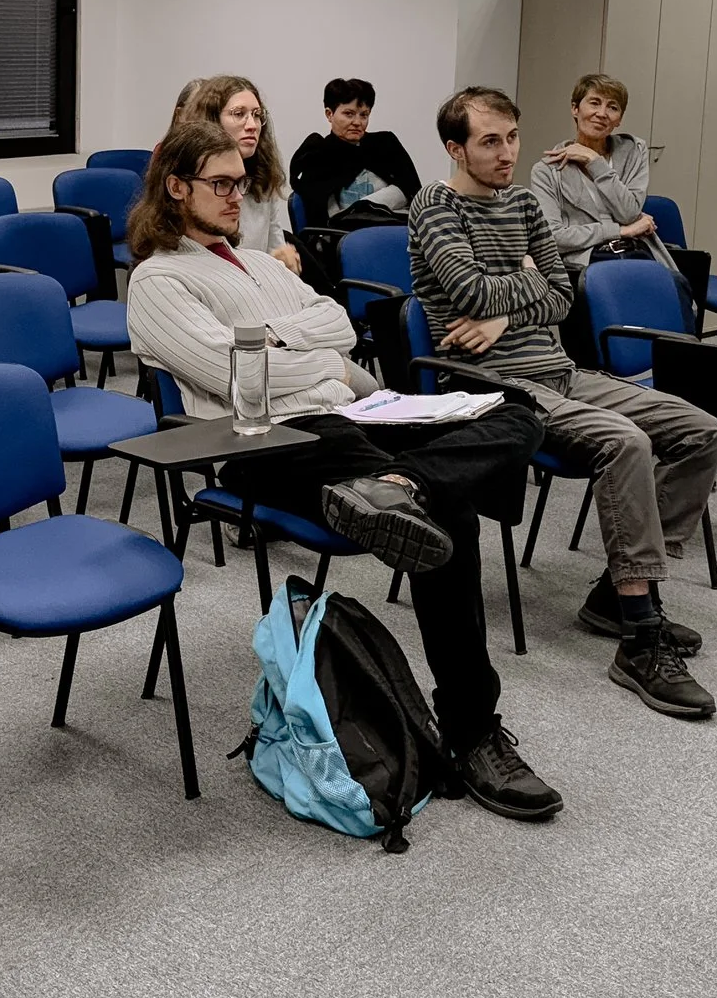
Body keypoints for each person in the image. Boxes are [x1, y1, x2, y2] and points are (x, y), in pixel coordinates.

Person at [124, 119, 562, 821]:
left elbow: (341, 320)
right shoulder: (159, 279)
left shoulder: (263, 264)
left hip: (351, 416)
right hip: (267, 439)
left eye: (242, 182)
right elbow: (234, 377)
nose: (239, 195)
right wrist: (312, 353)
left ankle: (403, 482)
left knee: (516, 410)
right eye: (221, 184)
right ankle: (474, 733)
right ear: (176, 187)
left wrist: (306, 352)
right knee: (449, 514)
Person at [409, 89, 717, 722]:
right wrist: (525, 281)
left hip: (558, 370)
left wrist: (500, 313)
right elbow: (471, 288)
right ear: (455, 148)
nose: (508, 154)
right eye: (490, 142)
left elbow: (563, 296)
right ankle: (640, 634)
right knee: (626, 442)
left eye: (513, 138)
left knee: (704, 431)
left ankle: (615, 592)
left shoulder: (526, 201)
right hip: (487, 386)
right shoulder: (435, 205)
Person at [530, 74, 669, 286]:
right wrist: (621, 230)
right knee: (625, 291)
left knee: (675, 289)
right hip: (588, 263)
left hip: (637, 253)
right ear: (575, 109)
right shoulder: (546, 171)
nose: (602, 113)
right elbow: (553, 237)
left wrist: (594, 161)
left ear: (619, 119)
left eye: (612, 107)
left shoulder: (633, 151)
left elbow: (629, 211)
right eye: (594, 103)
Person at [178, 73, 301, 271]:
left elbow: (276, 248)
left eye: (257, 115)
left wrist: (283, 261)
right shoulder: (192, 183)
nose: (252, 125)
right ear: (212, 121)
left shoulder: (262, 178)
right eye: (238, 114)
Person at [288, 78, 423, 228]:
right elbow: (321, 219)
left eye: (364, 115)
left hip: (395, 231)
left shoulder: (385, 145)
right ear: (329, 114)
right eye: (349, 114)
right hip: (345, 239)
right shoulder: (318, 155)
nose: (357, 122)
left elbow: (414, 195)